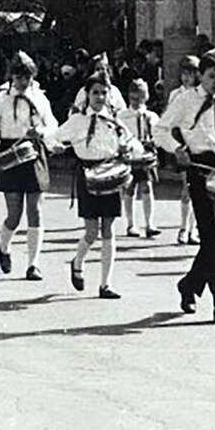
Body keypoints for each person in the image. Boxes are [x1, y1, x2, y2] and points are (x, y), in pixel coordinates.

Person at [154, 48, 215, 324]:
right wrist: (177, 148)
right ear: (200, 76)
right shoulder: (185, 101)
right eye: (212, 76)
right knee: (212, 237)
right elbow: (160, 129)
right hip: (198, 168)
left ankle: (189, 284)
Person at [0, 51, 57, 280]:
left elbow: (52, 125)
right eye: (19, 77)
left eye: (27, 77)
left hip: (33, 151)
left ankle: (33, 265)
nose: (23, 82)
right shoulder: (1, 100)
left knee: (35, 210)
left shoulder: (40, 99)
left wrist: (41, 132)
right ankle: (4, 246)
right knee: (14, 214)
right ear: (12, 76)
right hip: (10, 154)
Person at [57, 73, 140, 299]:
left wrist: (128, 149)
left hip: (110, 174)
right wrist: (54, 145)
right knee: (91, 232)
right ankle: (78, 261)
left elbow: (132, 143)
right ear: (87, 95)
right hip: (87, 175)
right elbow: (55, 137)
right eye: (95, 92)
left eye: (104, 93)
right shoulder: (78, 121)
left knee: (109, 230)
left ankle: (105, 284)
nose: (100, 97)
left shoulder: (114, 122)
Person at [117, 78, 160, 238]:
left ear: (146, 97)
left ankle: (149, 223)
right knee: (129, 189)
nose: (136, 102)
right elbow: (118, 136)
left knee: (147, 187)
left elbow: (158, 135)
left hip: (145, 156)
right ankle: (131, 224)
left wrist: (153, 142)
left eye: (140, 98)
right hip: (130, 156)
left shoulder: (151, 117)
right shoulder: (122, 116)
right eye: (133, 98)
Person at [169, 55, 201, 245]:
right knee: (186, 188)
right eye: (184, 74)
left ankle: (194, 229)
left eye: (190, 74)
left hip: (198, 141)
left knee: (199, 188)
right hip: (182, 141)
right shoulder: (176, 94)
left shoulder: (200, 94)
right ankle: (183, 227)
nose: (186, 78)